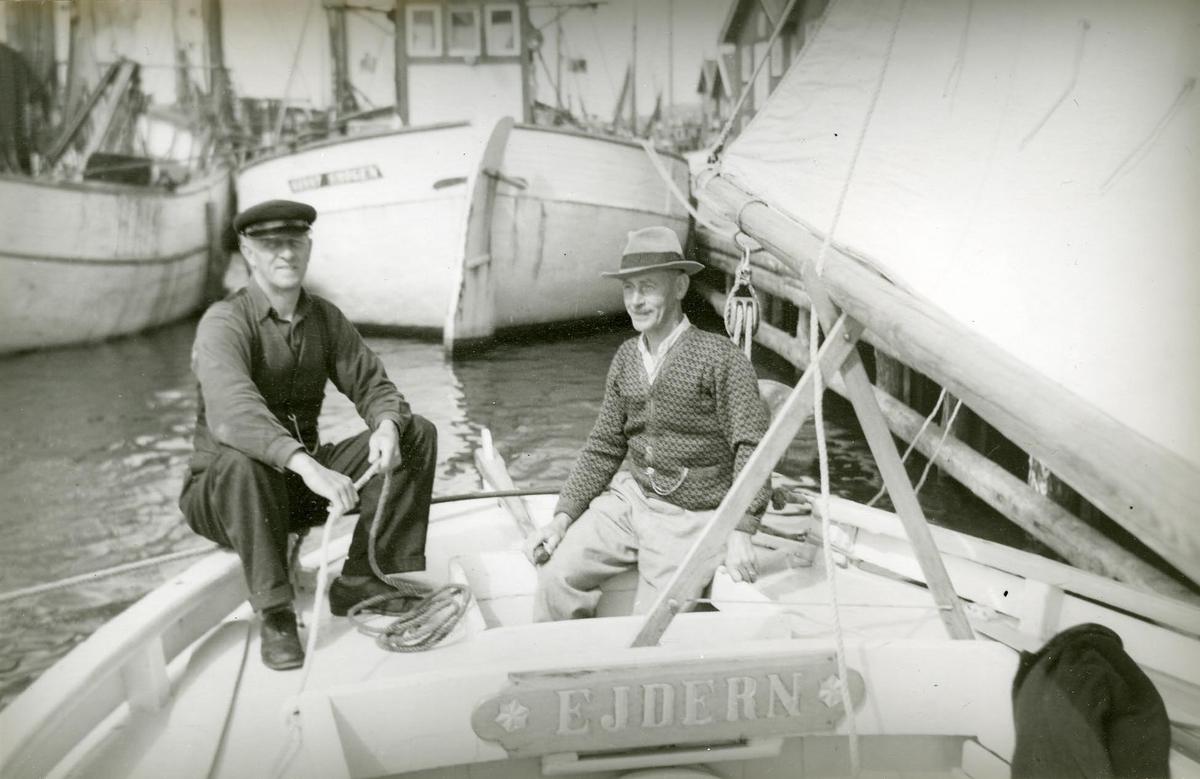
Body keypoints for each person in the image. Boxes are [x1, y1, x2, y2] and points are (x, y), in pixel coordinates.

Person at [180, 199, 438, 670]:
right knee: (242, 459)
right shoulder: (224, 322)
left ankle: (363, 578)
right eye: (270, 244)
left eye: (294, 242)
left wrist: (385, 425)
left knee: (415, 433)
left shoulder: (324, 319)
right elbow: (234, 414)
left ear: (309, 247)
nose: (285, 254)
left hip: (296, 488)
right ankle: (275, 612)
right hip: (223, 494)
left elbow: (373, 385)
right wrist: (308, 466)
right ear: (248, 253)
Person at [524, 226, 772, 621]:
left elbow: (753, 446)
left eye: (648, 288)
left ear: (679, 287)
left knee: (655, 619)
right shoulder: (625, 358)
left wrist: (743, 527)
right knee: (555, 577)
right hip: (630, 500)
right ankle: (569, 671)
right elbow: (604, 445)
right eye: (629, 289)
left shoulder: (721, 358)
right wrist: (562, 517)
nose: (635, 301)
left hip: (691, 516)